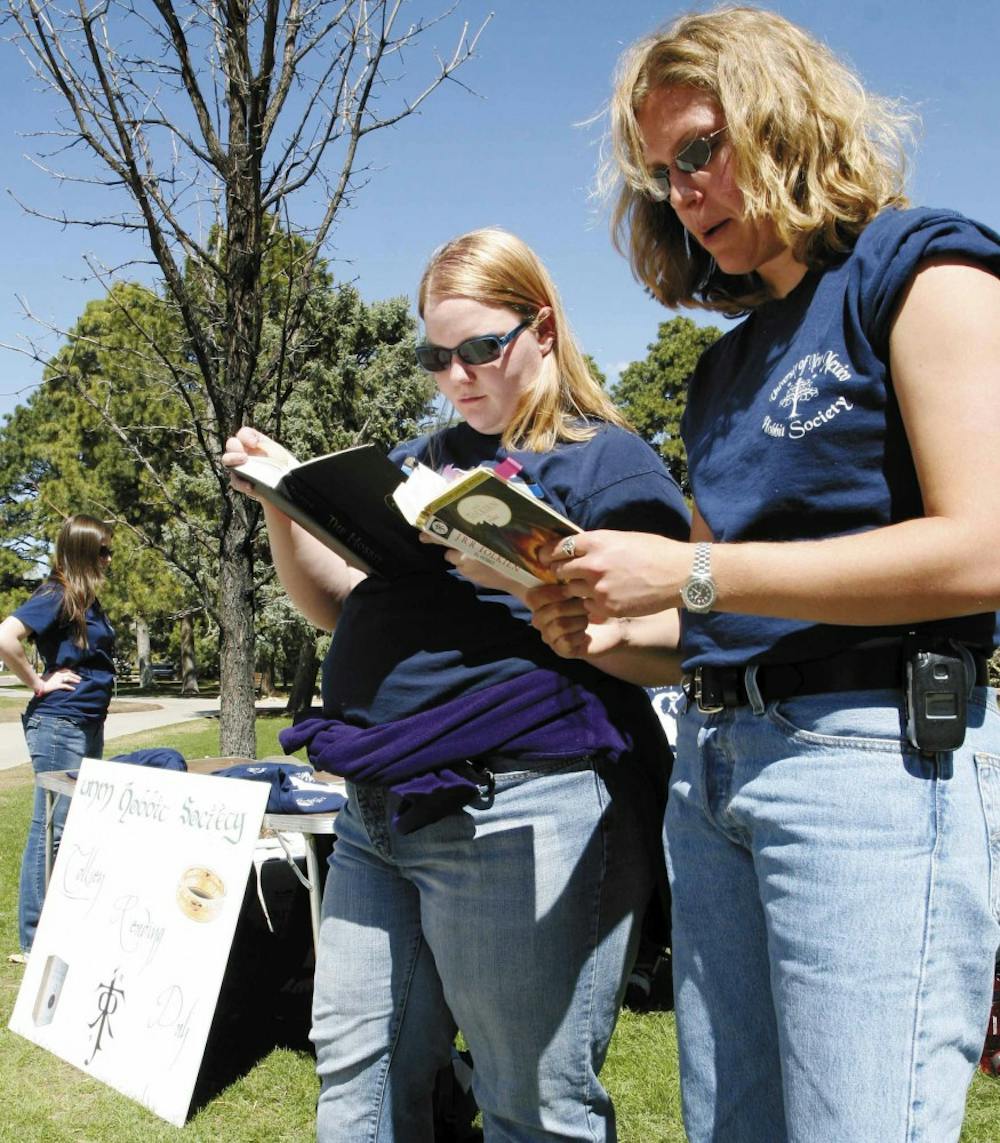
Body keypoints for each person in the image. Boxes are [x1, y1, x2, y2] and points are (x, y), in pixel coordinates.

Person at [526, 8, 1000, 1141]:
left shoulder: (920, 264)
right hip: (715, 765)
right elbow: (717, 612)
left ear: (785, 119)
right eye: (660, 172)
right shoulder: (726, 365)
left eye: (701, 149)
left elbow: (983, 547)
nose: (684, 189)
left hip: (871, 759)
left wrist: (685, 571)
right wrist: (598, 629)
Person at [223, 226, 689, 1142]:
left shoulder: (607, 461)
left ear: (543, 331)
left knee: (531, 1102)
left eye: (481, 348)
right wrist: (283, 506)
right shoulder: (418, 459)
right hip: (373, 810)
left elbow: (683, 634)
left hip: (521, 807)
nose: (457, 375)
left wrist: (534, 583)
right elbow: (336, 605)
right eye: (436, 356)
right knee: (359, 1078)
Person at [0, 515, 116, 959]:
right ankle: (34, 940)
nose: (109, 559)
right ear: (84, 552)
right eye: (103, 551)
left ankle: (58, 926)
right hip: (58, 725)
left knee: (71, 827)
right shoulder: (57, 594)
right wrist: (36, 681)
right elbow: (6, 637)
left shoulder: (84, 600)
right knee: (51, 828)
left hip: (85, 722)